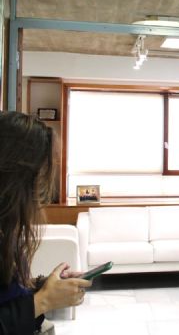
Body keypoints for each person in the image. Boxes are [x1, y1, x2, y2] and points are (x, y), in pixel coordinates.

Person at [0, 111, 92, 334]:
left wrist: (43, 286)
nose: (43, 189)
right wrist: (43, 301)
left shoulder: (5, 228)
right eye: (41, 175)